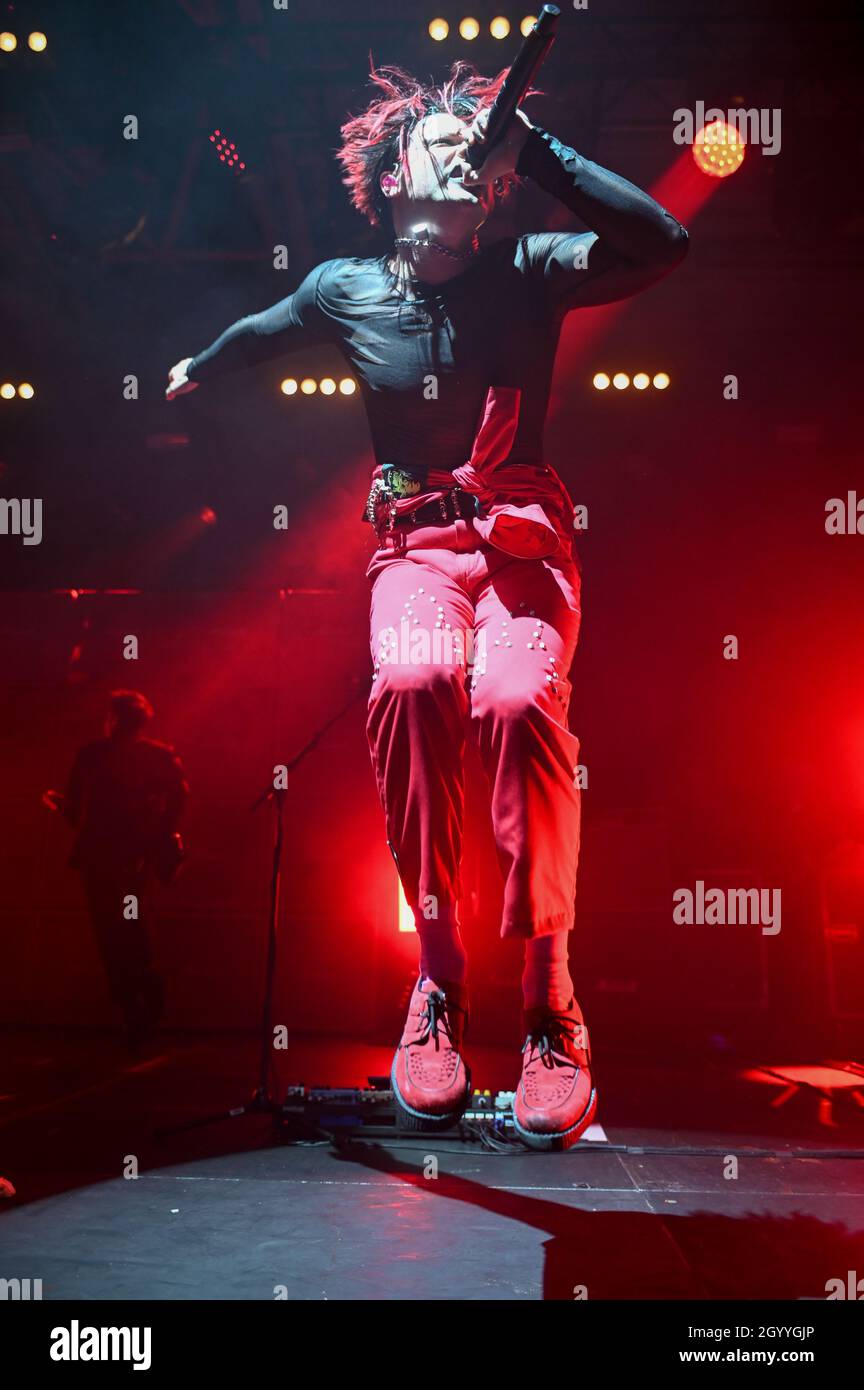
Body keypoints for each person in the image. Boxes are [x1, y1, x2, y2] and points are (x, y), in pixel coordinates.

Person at [166, 62, 688, 1148]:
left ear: (491, 183)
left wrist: (538, 153)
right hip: (415, 543)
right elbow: (261, 330)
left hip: (519, 536)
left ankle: (550, 998)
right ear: (395, 173)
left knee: (512, 703)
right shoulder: (344, 286)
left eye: (476, 145)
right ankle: (437, 978)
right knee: (407, 680)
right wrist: (196, 363)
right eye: (437, 140)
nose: (459, 150)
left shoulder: (531, 269)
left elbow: (661, 242)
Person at [49, 690, 188, 1051]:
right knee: (132, 919)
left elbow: (73, 812)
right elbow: (179, 797)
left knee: (108, 929)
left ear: (112, 719)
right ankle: (145, 982)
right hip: (136, 853)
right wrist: (162, 833)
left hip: (99, 854)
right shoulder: (159, 757)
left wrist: (58, 804)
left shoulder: (92, 755)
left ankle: (132, 1001)